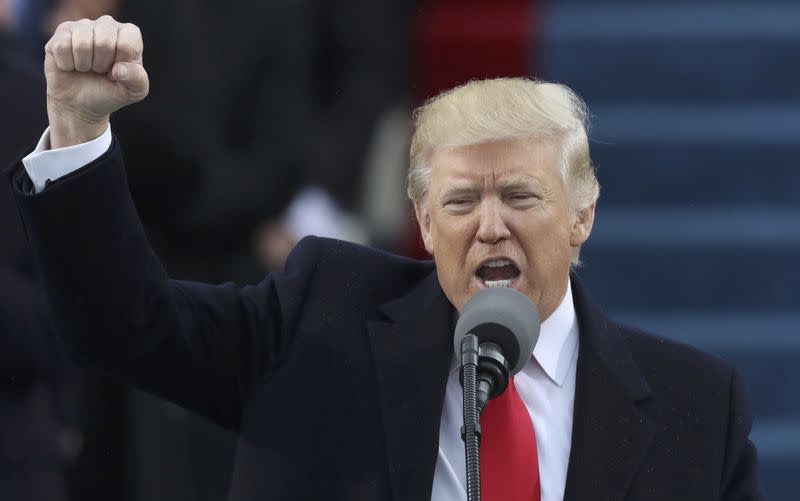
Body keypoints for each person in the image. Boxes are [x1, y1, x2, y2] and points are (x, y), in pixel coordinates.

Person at [4, 17, 763, 500]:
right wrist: (76, 129)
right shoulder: (319, 319)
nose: (491, 227)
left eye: (523, 197)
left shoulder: (697, 406)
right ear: (425, 225)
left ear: (582, 217)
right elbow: (122, 325)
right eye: (462, 203)